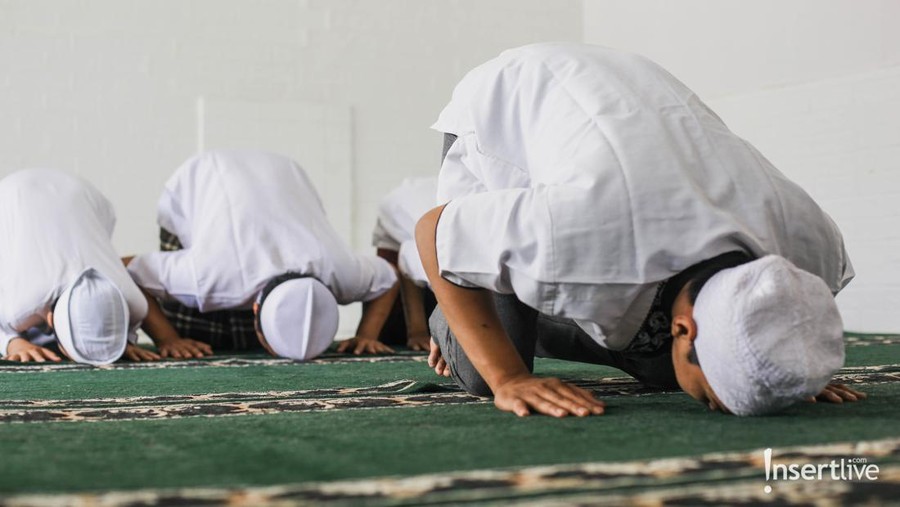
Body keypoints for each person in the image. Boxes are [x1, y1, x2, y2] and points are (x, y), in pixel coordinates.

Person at [416, 43, 865, 418]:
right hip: (504, 106)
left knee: (665, 369)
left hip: (626, 108)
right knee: (483, 373)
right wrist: (508, 376)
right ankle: (451, 323)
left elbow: (775, 319)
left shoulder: (809, 246)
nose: (712, 408)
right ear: (684, 327)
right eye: (712, 398)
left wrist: (785, 360)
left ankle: (499, 313)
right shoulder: (580, 229)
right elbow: (433, 232)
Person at [127, 150, 398, 360]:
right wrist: (168, 339)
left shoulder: (342, 271)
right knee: (192, 323)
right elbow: (128, 269)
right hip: (199, 181)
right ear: (255, 308)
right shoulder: (205, 277)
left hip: (286, 177)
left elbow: (389, 278)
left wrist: (367, 335)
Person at [0, 169, 207, 364]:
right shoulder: (19, 305)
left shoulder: (130, 298)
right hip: (11, 196)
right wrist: (12, 342)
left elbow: (126, 317)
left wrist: (166, 339)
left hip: (83, 196)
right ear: (51, 319)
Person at [359, 176, 438, 353]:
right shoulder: (435, 253)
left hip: (423, 209)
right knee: (390, 329)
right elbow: (405, 266)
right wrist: (417, 332)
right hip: (396, 216)